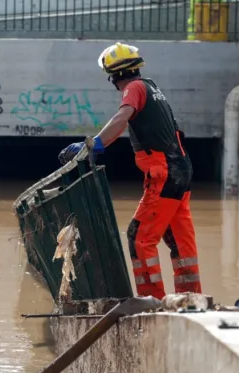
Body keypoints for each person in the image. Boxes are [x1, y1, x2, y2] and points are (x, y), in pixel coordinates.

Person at [58, 42, 202, 300]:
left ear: (114, 76)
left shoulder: (134, 89)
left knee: (140, 239)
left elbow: (122, 118)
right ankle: (191, 300)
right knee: (180, 240)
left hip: (164, 172)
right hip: (182, 169)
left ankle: (151, 302)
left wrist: (93, 144)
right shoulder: (152, 87)